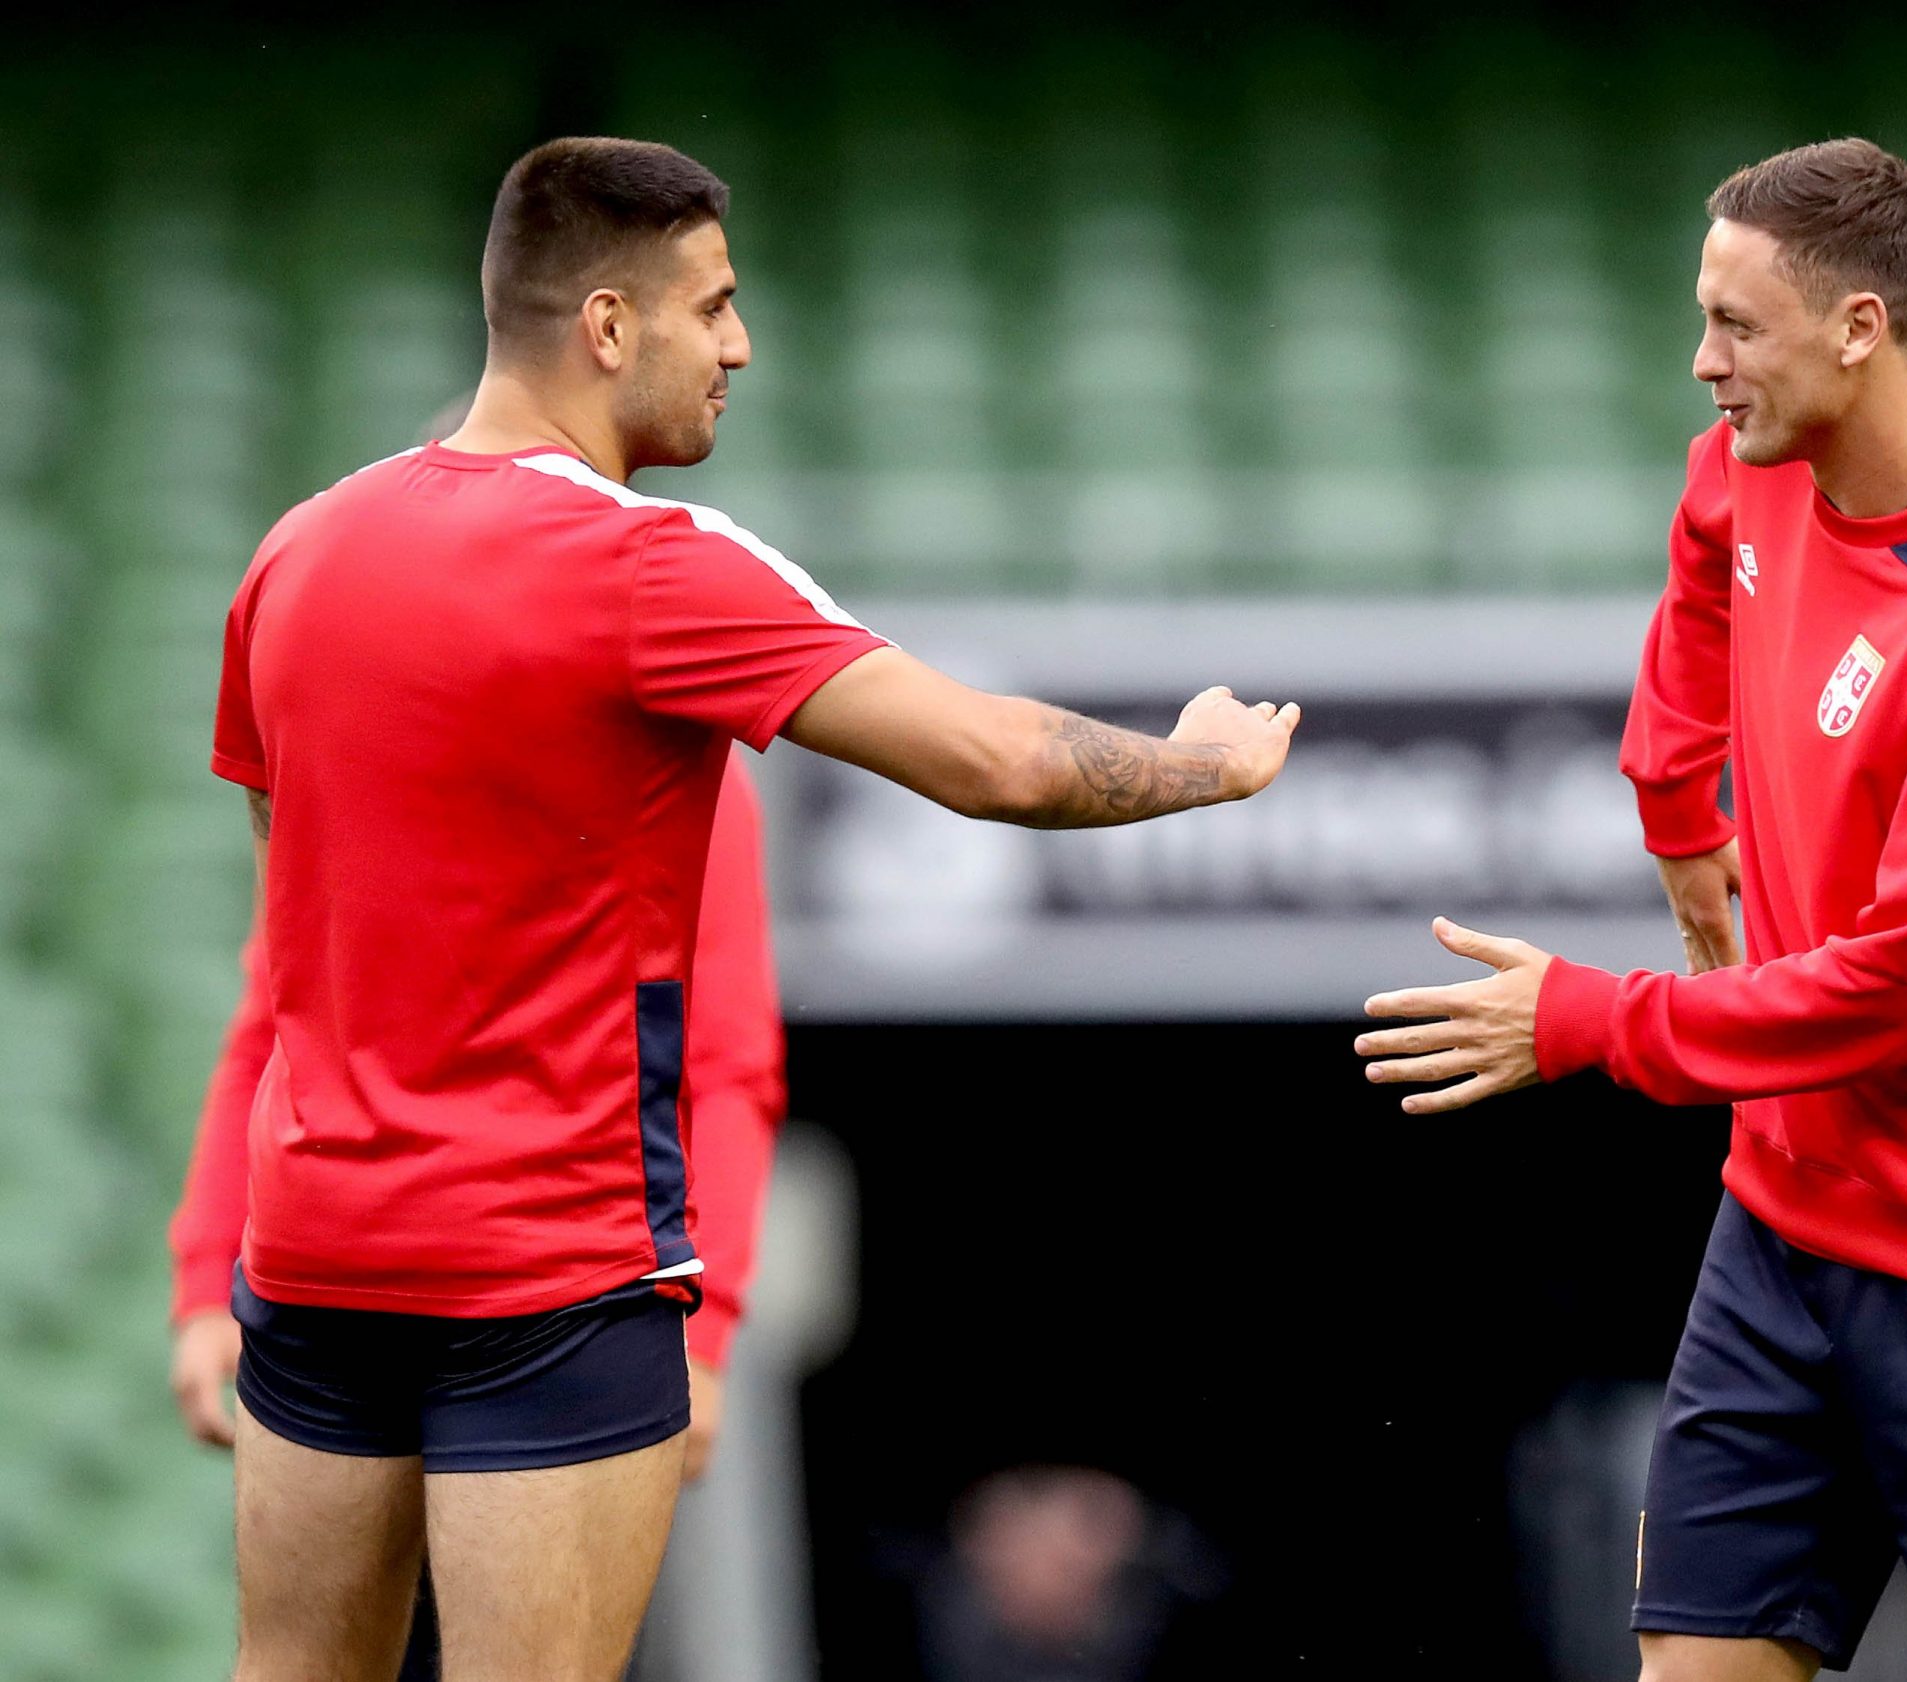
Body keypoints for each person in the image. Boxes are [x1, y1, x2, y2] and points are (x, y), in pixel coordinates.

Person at [210, 135, 1299, 1682]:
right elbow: (998, 765)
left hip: (315, 1246)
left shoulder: (294, 549)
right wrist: (1203, 767)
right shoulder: (652, 564)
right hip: (549, 1269)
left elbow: (288, 867)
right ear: (607, 326)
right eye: (711, 305)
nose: (739, 344)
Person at [1357, 139, 1907, 1682]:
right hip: (1783, 1227)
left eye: (1736, 325)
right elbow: (1698, 579)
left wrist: (1593, 1019)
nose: (1703, 362)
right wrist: (1677, 808)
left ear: (1861, 327)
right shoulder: (1749, 465)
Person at [170, 748, 784, 1680]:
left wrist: (708, 1331)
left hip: (563, 1315)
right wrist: (209, 1271)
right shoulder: (360, 724)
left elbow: (723, 1053)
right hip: (349, 1308)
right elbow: (279, 1012)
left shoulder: (670, 756)